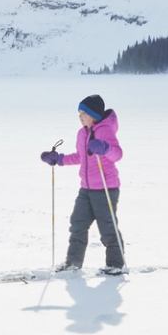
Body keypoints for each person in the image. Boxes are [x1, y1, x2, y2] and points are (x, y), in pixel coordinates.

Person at [40, 94, 125, 274]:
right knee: (77, 224)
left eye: (83, 113)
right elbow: (81, 156)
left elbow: (117, 154)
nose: (80, 117)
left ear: (93, 114)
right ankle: (73, 263)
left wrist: (104, 148)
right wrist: (59, 159)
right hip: (86, 189)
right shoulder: (82, 133)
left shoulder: (105, 131)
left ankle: (116, 265)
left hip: (106, 188)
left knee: (107, 228)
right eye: (79, 113)